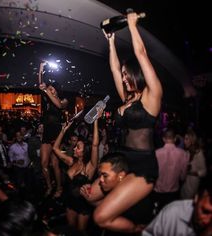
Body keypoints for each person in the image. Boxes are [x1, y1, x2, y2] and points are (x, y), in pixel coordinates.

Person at [88, 11, 162, 233]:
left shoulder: (152, 95)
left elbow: (141, 53)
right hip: (122, 160)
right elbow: (113, 68)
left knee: (100, 217)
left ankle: (139, 231)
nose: (122, 78)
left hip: (142, 166)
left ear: (135, 73)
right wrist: (111, 42)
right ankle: (121, 210)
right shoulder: (126, 99)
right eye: (122, 75)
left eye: (125, 74)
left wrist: (132, 26)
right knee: (91, 198)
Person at [80, 152, 153, 232]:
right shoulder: (115, 190)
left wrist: (135, 229)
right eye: (100, 175)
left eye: (105, 176)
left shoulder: (134, 198)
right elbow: (108, 208)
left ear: (121, 175)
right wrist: (89, 198)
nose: (100, 180)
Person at [52, 112, 100, 234]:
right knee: (70, 230)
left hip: (83, 205)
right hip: (70, 202)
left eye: (77, 147)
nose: (74, 148)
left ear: (84, 152)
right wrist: (63, 130)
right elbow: (55, 149)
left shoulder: (90, 166)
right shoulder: (71, 161)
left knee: (80, 232)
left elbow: (95, 145)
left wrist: (95, 121)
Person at [142, 174, 212, 236]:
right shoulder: (174, 212)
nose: (207, 221)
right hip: (171, 191)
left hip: (160, 190)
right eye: (205, 212)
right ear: (196, 197)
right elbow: (182, 176)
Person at [38, 61, 69, 197]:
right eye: (49, 89)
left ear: (56, 89)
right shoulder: (47, 99)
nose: (49, 90)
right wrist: (40, 71)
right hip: (46, 134)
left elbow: (59, 105)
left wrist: (46, 90)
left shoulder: (64, 100)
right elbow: (41, 84)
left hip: (57, 135)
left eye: (52, 88)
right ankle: (49, 186)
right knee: (44, 163)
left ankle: (59, 188)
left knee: (55, 163)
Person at [153, 128, 189, 212]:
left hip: (158, 191)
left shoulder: (156, 153)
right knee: (170, 216)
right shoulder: (183, 154)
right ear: (175, 139)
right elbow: (183, 177)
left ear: (163, 139)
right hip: (173, 191)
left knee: (157, 214)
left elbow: (153, 172)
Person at [181, 128, 207, 199]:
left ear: (192, 141)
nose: (184, 141)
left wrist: (191, 173)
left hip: (193, 183)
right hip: (185, 184)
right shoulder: (187, 151)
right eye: (184, 139)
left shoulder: (198, 153)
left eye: (186, 139)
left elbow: (204, 172)